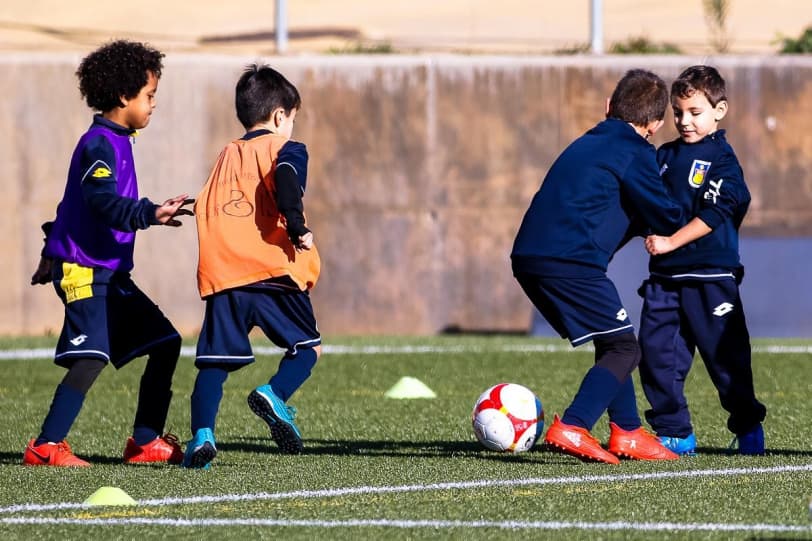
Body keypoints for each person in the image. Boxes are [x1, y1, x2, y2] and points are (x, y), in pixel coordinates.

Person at [24, 40, 193, 467]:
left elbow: (70, 205)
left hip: (111, 274)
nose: (154, 105)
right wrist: (150, 212)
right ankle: (46, 447)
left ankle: (144, 442)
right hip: (84, 271)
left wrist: (49, 247)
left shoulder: (119, 140)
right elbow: (99, 202)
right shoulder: (99, 144)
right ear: (124, 96)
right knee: (92, 356)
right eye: (149, 95)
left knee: (166, 342)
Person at [511, 69, 685, 464]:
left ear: (607, 107)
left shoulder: (587, 141)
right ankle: (574, 424)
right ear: (655, 125)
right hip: (570, 263)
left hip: (528, 258)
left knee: (612, 340)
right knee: (625, 347)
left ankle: (627, 432)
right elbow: (667, 215)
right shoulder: (635, 152)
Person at [182, 64, 321, 469]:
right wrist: (297, 225)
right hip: (274, 270)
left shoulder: (225, 156)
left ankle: (202, 437)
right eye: (292, 120)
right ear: (281, 116)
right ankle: (275, 394)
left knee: (213, 364)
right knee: (308, 348)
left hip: (225, 275)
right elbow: (287, 176)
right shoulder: (286, 148)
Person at [639, 66, 767, 456]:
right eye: (678, 112)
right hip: (664, 277)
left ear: (719, 110)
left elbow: (716, 214)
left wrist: (671, 242)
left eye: (695, 112)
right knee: (656, 353)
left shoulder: (722, 160)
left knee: (726, 360)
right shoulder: (664, 156)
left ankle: (747, 427)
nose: (685, 121)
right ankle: (675, 431)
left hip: (710, 276)